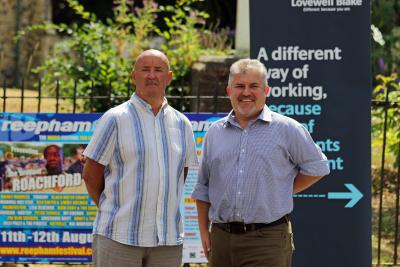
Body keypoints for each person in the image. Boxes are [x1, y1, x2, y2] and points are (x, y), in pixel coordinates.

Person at [191, 58, 330, 267]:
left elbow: (318, 167)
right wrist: (204, 231)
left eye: (253, 86)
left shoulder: (287, 129)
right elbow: (203, 187)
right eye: (239, 86)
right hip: (221, 239)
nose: (246, 92)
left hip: (267, 240)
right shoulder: (215, 132)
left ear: (266, 90)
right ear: (229, 91)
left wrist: (281, 188)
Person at [83, 49, 198, 267]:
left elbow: (181, 174)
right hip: (118, 236)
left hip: (167, 240)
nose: (152, 75)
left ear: (169, 77)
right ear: (134, 76)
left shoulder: (182, 124)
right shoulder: (115, 119)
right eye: (145, 70)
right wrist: (115, 207)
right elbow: (90, 175)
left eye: (158, 70)